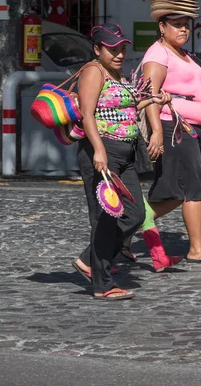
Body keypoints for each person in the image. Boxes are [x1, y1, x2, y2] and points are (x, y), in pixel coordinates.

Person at [73, 22, 179, 301]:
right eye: (112, 49)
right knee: (104, 218)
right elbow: (87, 114)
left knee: (135, 214)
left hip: (127, 153)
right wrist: (98, 151)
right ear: (97, 49)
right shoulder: (93, 72)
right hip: (103, 150)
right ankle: (102, 284)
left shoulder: (117, 74)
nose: (119, 54)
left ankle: (89, 259)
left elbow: (127, 106)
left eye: (122, 48)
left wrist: (154, 99)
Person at [139, 0, 201, 266]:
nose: (183, 29)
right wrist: (155, 132)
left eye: (186, 24)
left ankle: (125, 229)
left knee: (175, 190)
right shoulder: (158, 54)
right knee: (189, 189)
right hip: (172, 127)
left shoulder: (184, 55)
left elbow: (189, 91)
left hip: (187, 127)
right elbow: (149, 95)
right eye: (176, 24)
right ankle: (196, 248)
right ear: (161, 26)